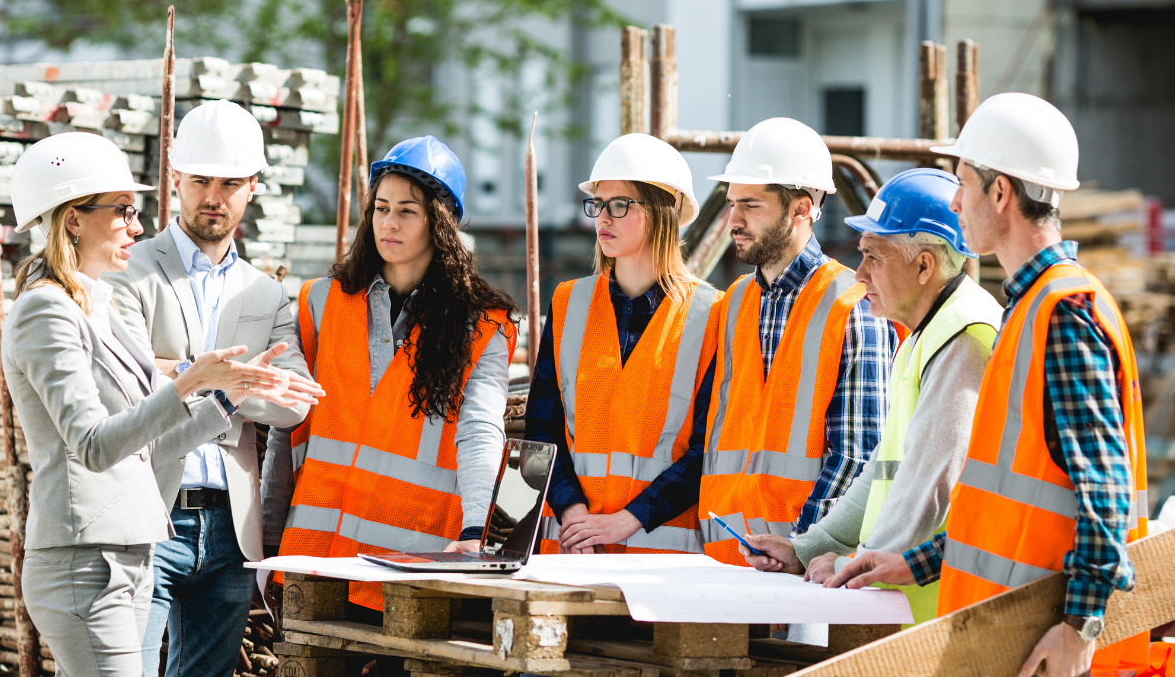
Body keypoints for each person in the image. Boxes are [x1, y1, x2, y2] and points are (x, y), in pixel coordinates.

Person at [824, 93, 1150, 677]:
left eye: (963, 183)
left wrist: (1081, 628)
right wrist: (914, 563)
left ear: (1001, 193)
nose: (955, 201)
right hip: (1004, 631)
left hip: (1043, 641)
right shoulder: (1029, 310)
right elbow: (996, 504)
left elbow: (1104, 487)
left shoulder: (1064, 313)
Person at [2, 132, 314, 677]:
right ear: (73, 219)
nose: (138, 225)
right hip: (86, 559)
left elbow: (140, 448)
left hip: (123, 555)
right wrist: (188, 380)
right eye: (123, 210)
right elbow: (96, 447)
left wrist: (225, 398)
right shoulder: (45, 311)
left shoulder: (92, 304)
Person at [104, 101, 322, 677]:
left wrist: (180, 372)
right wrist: (238, 380)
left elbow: (293, 403)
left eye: (230, 183)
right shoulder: (128, 271)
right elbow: (122, 389)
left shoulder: (268, 294)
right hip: (146, 509)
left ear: (252, 188)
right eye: (200, 180)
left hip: (228, 527)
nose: (213, 196)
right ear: (175, 179)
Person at [739, 169, 1002, 628]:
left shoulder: (964, 336)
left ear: (923, 266)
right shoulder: (925, 334)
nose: (859, 275)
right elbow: (882, 474)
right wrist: (810, 549)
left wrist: (854, 566)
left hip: (941, 619)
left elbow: (928, 488)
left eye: (873, 257)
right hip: (910, 609)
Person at [273, 135, 517, 613]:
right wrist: (264, 541)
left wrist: (472, 531)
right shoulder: (320, 302)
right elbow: (287, 433)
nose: (389, 222)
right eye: (381, 208)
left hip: (411, 562)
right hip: (314, 559)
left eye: (407, 210)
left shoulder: (483, 324)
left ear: (440, 221)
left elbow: (481, 430)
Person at [699, 117, 899, 567]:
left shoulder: (853, 304)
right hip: (723, 560)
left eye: (750, 205)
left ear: (801, 209)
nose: (733, 220)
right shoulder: (732, 304)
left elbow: (857, 454)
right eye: (732, 204)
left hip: (807, 568)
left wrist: (802, 547)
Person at [526, 134, 720, 555]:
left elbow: (708, 450)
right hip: (570, 552)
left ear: (662, 211)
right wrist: (573, 512)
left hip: (661, 563)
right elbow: (541, 430)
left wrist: (625, 522)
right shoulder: (568, 302)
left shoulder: (713, 315)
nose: (602, 219)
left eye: (619, 205)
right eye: (598, 204)